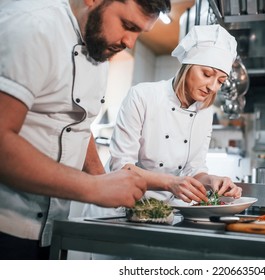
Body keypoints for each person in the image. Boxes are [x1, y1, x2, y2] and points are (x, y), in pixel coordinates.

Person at [0, 0, 171, 260]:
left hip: (51, 228)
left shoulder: (97, 48)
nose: (130, 42)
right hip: (6, 224)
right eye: (127, 25)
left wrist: (103, 179)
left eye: (139, 32)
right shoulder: (33, 25)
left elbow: (76, 126)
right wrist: (93, 188)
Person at [84, 24, 241, 220]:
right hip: (117, 207)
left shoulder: (204, 112)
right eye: (207, 74)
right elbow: (122, 167)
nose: (212, 87)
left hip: (162, 212)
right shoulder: (142, 96)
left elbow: (194, 168)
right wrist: (171, 183)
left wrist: (212, 180)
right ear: (188, 66)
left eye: (220, 81)